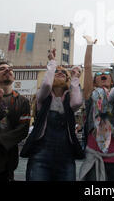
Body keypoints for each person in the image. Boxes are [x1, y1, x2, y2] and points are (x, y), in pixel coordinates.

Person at [79, 33, 114, 181]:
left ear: (111, 79)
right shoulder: (91, 95)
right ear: (95, 81)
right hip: (94, 156)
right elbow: (88, 68)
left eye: (107, 72)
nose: (103, 74)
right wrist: (90, 45)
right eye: (100, 73)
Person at [25, 49, 84, 181]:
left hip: (66, 156)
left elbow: (77, 102)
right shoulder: (43, 96)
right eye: (57, 71)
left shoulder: (68, 99)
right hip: (41, 154)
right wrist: (52, 62)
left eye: (64, 72)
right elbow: (46, 84)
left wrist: (75, 78)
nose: (60, 73)